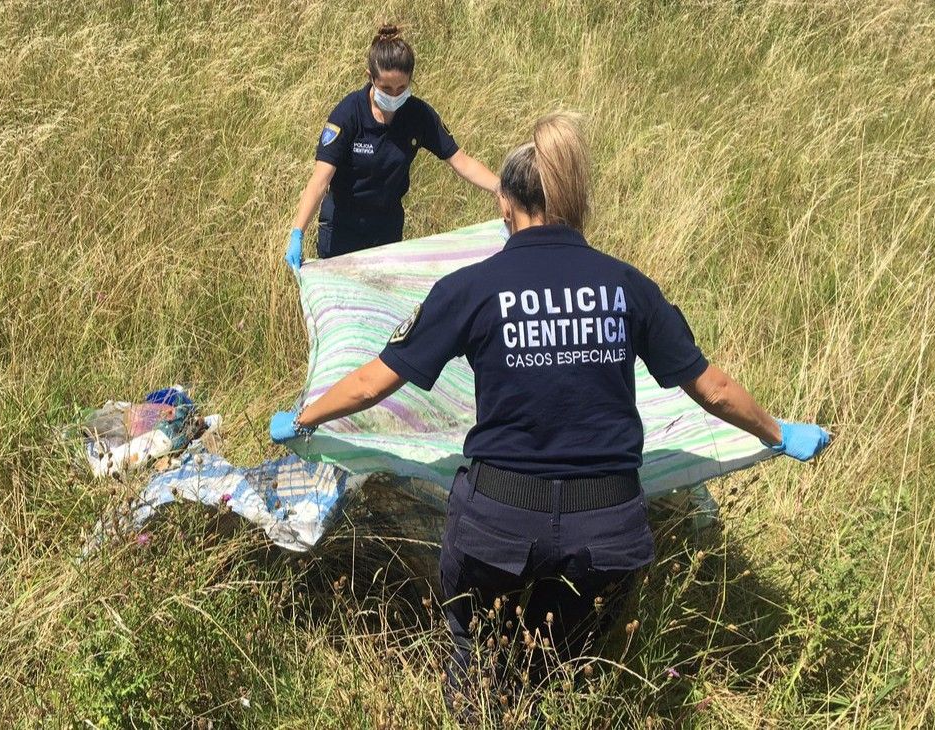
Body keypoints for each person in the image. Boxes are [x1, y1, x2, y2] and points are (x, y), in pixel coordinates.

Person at [270, 111, 831, 702]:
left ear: (506, 207)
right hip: (610, 530)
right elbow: (711, 387)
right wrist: (776, 432)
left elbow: (372, 383)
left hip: (500, 523)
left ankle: (481, 700)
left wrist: (304, 417)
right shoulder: (626, 285)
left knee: (478, 661)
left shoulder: (471, 287)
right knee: (566, 671)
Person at [284, 24, 499, 269]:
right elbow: (320, 180)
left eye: (402, 88)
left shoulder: (418, 115)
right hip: (343, 228)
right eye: (386, 88)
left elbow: (461, 160)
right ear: (370, 77)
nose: (395, 95)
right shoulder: (348, 114)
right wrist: (297, 232)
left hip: (387, 227)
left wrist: (500, 188)